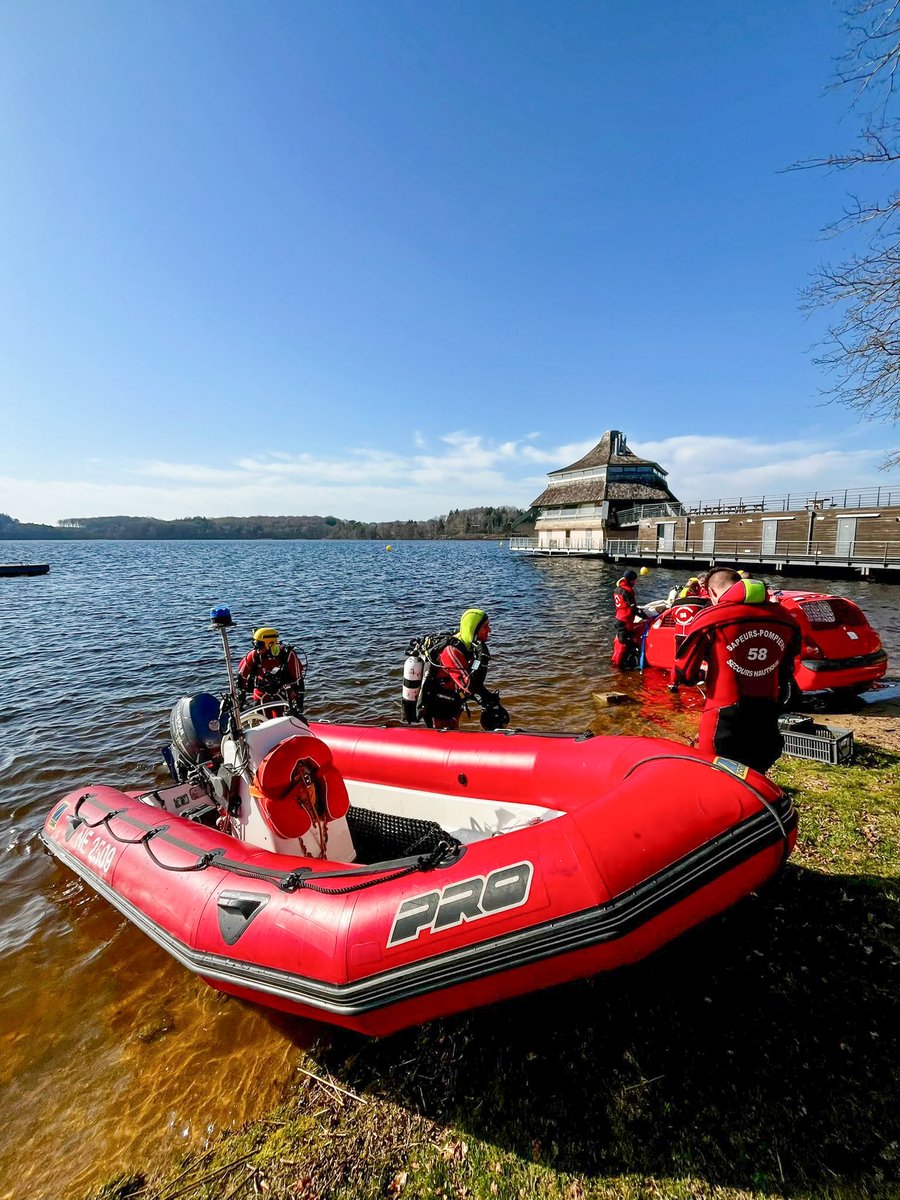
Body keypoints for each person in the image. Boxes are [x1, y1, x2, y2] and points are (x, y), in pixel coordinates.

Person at [671, 569, 800, 773]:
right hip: (767, 711)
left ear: (712, 592)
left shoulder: (711, 617)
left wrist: (704, 673)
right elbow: (790, 659)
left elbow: (684, 674)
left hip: (724, 714)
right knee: (758, 773)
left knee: (717, 775)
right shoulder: (785, 617)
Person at [418, 608, 507, 730]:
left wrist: (489, 700)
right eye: (485, 626)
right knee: (448, 735)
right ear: (474, 628)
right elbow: (470, 685)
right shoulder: (451, 651)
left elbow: (473, 678)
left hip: (453, 701)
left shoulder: (469, 647)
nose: (489, 630)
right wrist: (483, 659)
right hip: (440, 706)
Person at [237, 627, 305, 715]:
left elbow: (298, 680)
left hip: (282, 694)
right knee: (262, 722)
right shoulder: (254, 655)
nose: (257, 649)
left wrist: (299, 705)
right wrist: (241, 700)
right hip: (260, 694)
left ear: (270, 643)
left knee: (281, 720)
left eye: (259, 645)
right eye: (255, 645)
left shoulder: (287, 655)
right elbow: (241, 677)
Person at [611, 570, 649, 669]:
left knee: (620, 642)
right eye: (634, 580)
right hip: (626, 621)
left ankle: (618, 663)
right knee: (625, 644)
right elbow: (633, 609)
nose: (635, 583)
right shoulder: (627, 591)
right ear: (630, 580)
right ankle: (618, 667)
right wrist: (646, 617)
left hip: (619, 619)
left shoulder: (617, 589)